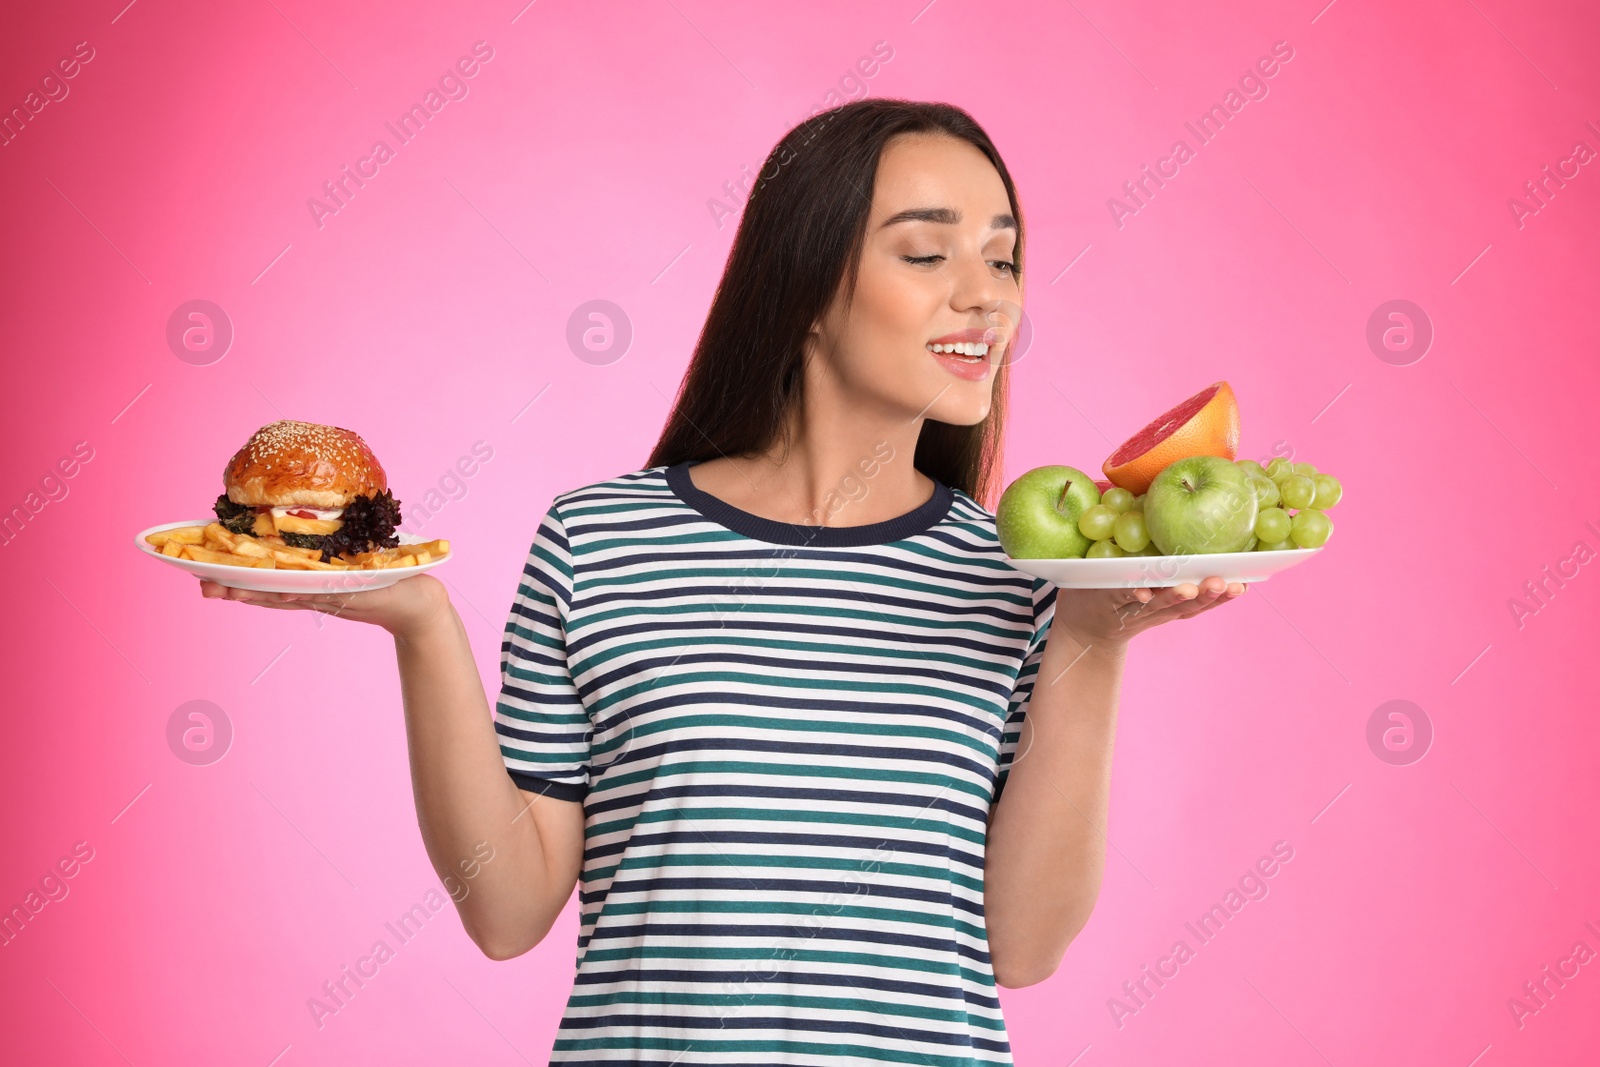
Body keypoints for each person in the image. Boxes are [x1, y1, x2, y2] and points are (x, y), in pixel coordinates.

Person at [201, 98, 1246, 1065]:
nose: (986, 296)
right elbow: (507, 909)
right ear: (803, 290)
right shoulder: (600, 540)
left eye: (1004, 260)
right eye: (927, 251)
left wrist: (1092, 640)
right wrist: (422, 627)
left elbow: (1020, 946)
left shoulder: (1018, 574)